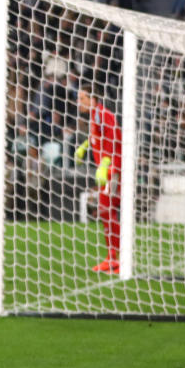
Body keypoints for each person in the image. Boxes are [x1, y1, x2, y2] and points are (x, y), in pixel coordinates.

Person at [74, 82, 122, 273]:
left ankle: (117, 258)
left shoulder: (104, 116)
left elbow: (116, 141)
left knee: (108, 211)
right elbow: (99, 138)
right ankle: (112, 257)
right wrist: (85, 146)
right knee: (105, 212)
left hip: (113, 171)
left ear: (92, 99)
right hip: (107, 171)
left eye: (82, 98)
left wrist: (109, 166)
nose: (79, 102)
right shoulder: (96, 116)